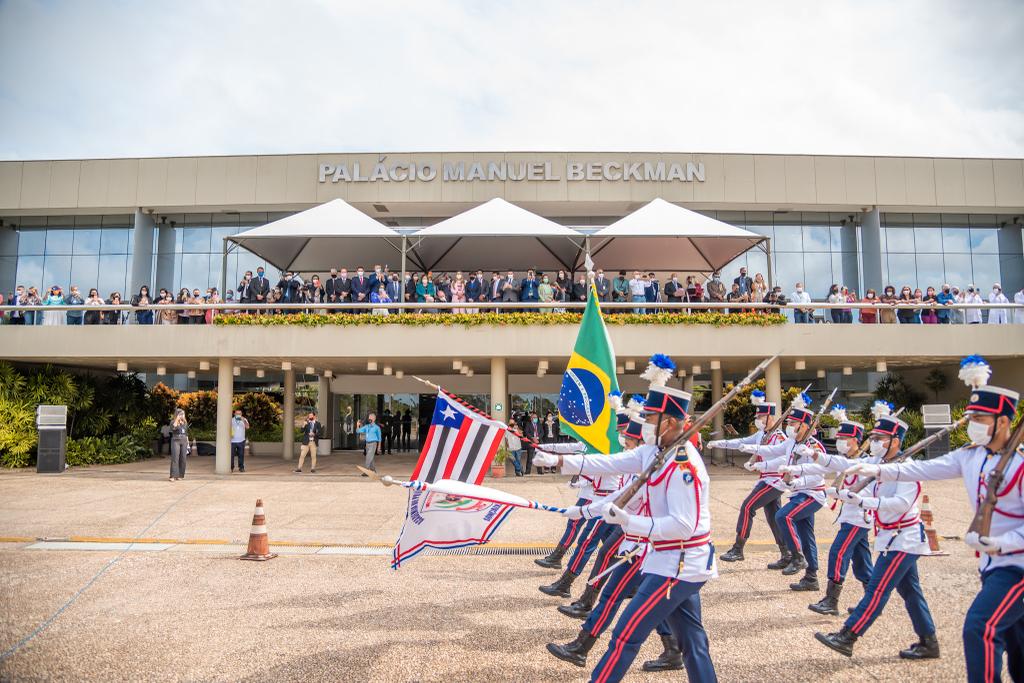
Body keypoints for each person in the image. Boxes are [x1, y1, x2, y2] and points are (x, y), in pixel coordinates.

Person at [533, 353, 717, 683]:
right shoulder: (656, 452)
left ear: (670, 422)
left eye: (650, 417)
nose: (644, 422)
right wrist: (560, 461)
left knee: (624, 638)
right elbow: (612, 463)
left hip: (677, 565)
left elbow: (683, 525)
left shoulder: (683, 466)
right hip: (677, 563)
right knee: (693, 644)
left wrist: (630, 523)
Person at [844, 367, 1020, 677]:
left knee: (980, 627)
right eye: (972, 419)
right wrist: (877, 471)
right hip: (992, 567)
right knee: (1015, 643)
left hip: (1017, 567)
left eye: (981, 420)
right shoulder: (970, 457)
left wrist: (1004, 542)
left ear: (1004, 422)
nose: (973, 426)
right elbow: (922, 470)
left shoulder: (1019, 466)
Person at [816, 413, 938, 661]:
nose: (874, 442)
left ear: (895, 441)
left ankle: (847, 636)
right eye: (873, 437)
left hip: (903, 538)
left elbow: (901, 504)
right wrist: (823, 465)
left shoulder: (908, 469)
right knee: (911, 591)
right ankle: (929, 642)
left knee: (877, 589)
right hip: (892, 536)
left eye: (880, 438)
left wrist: (864, 501)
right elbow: (854, 474)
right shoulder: (881, 465)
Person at [775, 409, 874, 617]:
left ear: (856, 440)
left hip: (857, 518)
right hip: (850, 517)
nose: (840, 442)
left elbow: (863, 489)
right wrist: (797, 470)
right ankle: (871, 601)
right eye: (839, 438)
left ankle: (831, 600)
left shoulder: (865, 462)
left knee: (838, 553)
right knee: (862, 560)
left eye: (845, 439)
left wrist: (838, 492)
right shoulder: (846, 458)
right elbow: (827, 465)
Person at [738, 392, 827, 591]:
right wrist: (750, 448)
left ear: (805, 426)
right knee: (806, 535)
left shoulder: (814, 447)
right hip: (799, 494)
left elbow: (819, 474)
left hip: (812, 494)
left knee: (782, 516)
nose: (790, 427)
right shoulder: (793, 443)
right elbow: (772, 451)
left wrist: (795, 481)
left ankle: (796, 558)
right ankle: (811, 577)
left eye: (794, 424)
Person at [706, 391, 789, 567]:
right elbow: (741, 442)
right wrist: (718, 443)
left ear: (770, 417)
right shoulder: (761, 435)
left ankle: (738, 549)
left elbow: (783, 459)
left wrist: (760, 466)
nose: (757, 419)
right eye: (757, 416)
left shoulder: (779, 437)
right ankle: (787, 553)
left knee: (747, 507)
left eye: (761, 416)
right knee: (774, 518)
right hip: (766, 480)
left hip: (774, 480)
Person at [169, 409, 190, 481]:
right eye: (180, 414)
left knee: (183, 458)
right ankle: (172, 476)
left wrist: (188, 444)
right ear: (177, 415)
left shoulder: (185, 423)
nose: (182, 416)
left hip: (184, 441)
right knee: (175, 458)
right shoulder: (173, 422)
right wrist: (177, 420)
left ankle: (180, 475)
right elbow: (172, 428)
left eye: (183, 414)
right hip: (176, 440)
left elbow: (186, 433)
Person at [230, 408, 249, 473]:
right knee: (231, 455)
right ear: (234, 414)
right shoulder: (231, 420)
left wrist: (244, 420)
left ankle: (241, 467)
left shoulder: (244, 420)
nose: (238, 415)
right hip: (232, 441)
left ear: (241, 414)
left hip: (241, 440)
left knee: (241, 455)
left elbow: (247, 427)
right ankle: (231, 467)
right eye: (237, 413)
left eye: (240, 414)